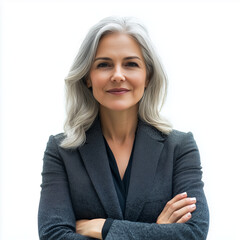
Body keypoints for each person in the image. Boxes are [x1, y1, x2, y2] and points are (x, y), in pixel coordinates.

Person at [38, 16, 209, 240]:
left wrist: (104, 228)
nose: (118, 75)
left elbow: (194, 233)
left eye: (131, 64)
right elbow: (53, 236)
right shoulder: (61, 151)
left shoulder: (179, 148)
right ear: (88, 77)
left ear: (147, 76)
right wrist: (157, 231)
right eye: (104, 64)